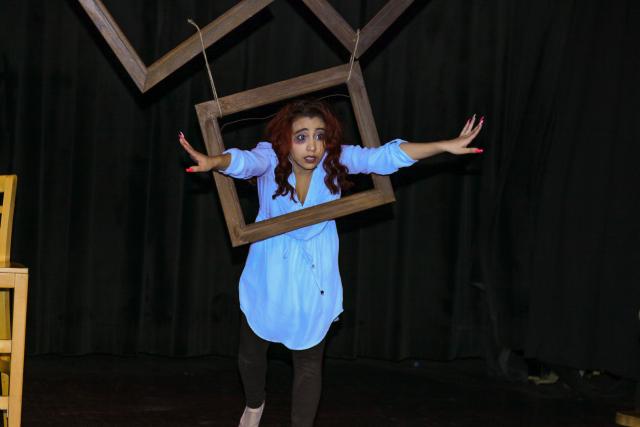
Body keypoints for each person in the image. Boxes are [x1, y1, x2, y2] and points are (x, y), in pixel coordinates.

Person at [178, 99, 483, 427]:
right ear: (285, 140)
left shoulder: (335, 159)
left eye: (319, 136)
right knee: (251, 354)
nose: (312, 145)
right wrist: (214, 161)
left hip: (315, 271)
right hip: (271, 266)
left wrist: (444, 145)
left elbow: (385, 156)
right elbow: (243, 162)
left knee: (309, 362)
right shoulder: (270, 157)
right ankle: (255, 405)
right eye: (301, 137)